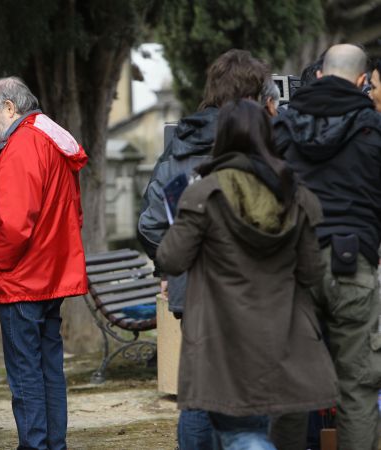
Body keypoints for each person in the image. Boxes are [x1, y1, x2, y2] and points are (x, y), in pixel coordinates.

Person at [157, 99, 338, 449]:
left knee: (241, 433)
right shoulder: (295, 195)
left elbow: (172, 258)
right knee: (257, 429)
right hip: (282, 336)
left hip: (221, 338)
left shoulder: (203, 194)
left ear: (222, 138)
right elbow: (312, 271)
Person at [137, 49, 269, 450]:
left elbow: (149, 224)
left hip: (190, 288)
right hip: (247, 288)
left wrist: (183, 257)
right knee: (248, 392)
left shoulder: (179, 144)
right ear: (253, 95)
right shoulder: (257, 142)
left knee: (195, 389)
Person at [274, 43, 381, 450]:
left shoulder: (281, 127)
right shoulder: (373, 129)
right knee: (357, 386)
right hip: (354, 265)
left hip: (293, 266)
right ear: (360, 82)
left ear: (318, 76)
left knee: (291, 387)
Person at [0, 76, 88, 450]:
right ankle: (52, 444)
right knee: (48, 369)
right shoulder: (50, 139)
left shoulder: (23, 144)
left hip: (22, 279)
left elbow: (13, 222)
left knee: (26, 374)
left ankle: (36, 445)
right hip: (49, 275)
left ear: (10, 108)